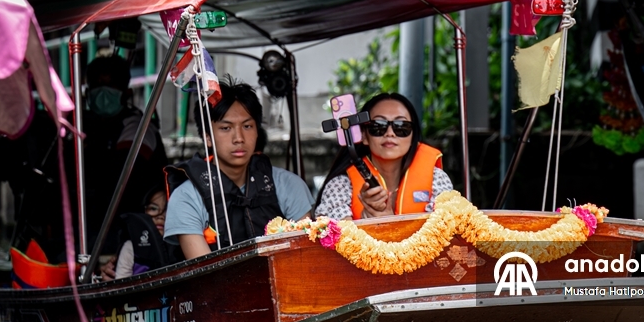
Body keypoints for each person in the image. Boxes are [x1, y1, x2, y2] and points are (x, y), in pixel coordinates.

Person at [164, 81, 313, 260]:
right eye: (226, 128)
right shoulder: (186, 198)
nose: (239, 138)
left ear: (258, 131)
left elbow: (305, 257)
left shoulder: (290, 186)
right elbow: (205, 274)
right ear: (208, 137)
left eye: (247, 126)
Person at [314, 92, 452, 220]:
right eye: (378, 126)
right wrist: (366, 223)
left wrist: (390, 225)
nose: (390, 133)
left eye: (401, 126)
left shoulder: (437, 180)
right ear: (363, 135)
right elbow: (335, 240)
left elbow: (443, 235)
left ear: (413, 136)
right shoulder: (340, 186)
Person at [82, 55, 168, 249]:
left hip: (133, 224)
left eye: (110, 85)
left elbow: (122, 171)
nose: (103, 92)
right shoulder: (85, 125)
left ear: (126, 93)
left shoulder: (137, 126)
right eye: (97, 85)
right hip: (95, 222)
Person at [114, 186, 180, 278]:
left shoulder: (183, 245)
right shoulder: (131, 247)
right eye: (153, 208)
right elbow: (120, 286)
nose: (160, 216)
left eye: (167, 210)